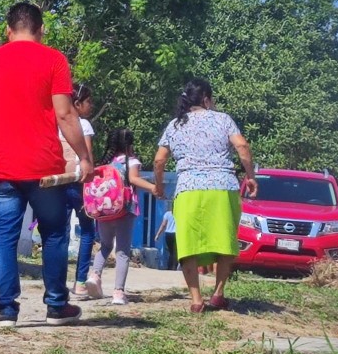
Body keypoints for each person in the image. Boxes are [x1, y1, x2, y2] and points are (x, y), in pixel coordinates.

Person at [0, 1, 94, 327]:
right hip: (45, 170)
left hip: (4, 166)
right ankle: (55, 306)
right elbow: (65, 114)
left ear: (8, 30)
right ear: (41, 30)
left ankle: (7, 310)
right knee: (53, 234)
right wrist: (84, 156)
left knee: (4, 238)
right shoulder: (53, 60)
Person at [153, 78, 257, 313]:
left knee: (188, 244)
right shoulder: (223, 120)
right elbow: (242, 146)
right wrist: (250, 176)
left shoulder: (175, 125)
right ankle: (218, 294)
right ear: (207, 99)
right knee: (224, 239)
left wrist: (159, 186)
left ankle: (196, 300)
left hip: (188, 189)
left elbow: (159, 160)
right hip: (222, 187)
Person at [85, 128, 155, 305]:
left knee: (105, 245)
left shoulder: (105, 164)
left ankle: (95, 275)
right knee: (122, 251)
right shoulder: (131, 161)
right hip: (124, 210)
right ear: (130, 144)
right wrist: (153, 188)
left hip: (103, 211)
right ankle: (118, 292)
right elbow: (134, 179)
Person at [59, 83, 97, 299]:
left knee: (59, 233)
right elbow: (88, 157)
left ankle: (57, 282)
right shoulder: (83, 124)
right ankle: (80, 282)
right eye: (88, 102)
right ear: (77, 104)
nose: (90, 106)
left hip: (57, 183)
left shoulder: (56, 123)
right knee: (88, 231)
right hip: (78, 183)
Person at [154, 201, 178, 271]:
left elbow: (163, 225)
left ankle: (170, 266)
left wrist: (158, 234)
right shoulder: (179, 214)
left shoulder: (167, 214)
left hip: (168, 234)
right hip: (175, 234)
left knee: (171, 251)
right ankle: (173, 267)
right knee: (175, 251)